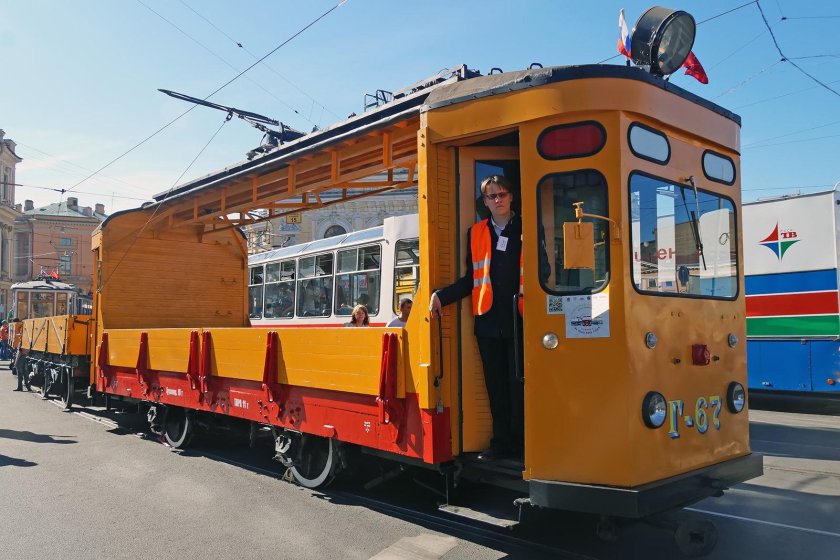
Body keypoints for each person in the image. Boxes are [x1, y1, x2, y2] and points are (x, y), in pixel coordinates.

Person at [430, 175, 526, 461]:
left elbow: (541, 270)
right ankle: (501, 443)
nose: (498, 200)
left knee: (519, 385)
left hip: (520, 318)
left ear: (511, 197)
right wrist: (441, 296)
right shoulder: (476, 232)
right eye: (491, 196)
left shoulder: (526, 227)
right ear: (484, 201)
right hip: (487, 320)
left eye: (502, 194)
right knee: (495, 386)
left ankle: (524, 445)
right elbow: (472, 278)